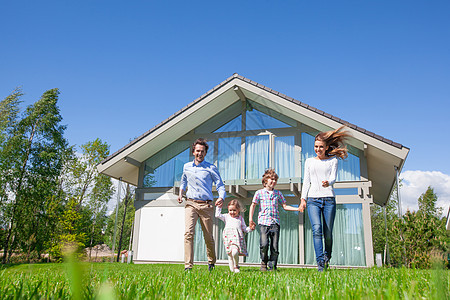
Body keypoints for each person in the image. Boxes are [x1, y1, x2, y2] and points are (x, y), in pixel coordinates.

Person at [299, 126, 351, 272]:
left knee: (328, 233)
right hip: (313, 200)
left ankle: (327, 257)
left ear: (327, 147)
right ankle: (320, 263)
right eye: (316, 146)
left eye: (321, 147)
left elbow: (333, 177)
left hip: (328, 199)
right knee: (317, 229)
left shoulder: (333, 160)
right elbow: (306, 181)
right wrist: (303, 199)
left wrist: (329, 182)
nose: (318, 149)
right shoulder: (309, 161)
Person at [178, 138, 225, 272]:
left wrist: (221, 197)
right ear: (193, 152)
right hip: (191, 203)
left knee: (208, 236)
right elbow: (183, 181)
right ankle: (188, 266)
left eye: (202, 151)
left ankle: (211, 263)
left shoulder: (211, 168)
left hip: (206, 205)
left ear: (205, 153)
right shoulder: (186, 166)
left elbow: (220, 185)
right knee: (188, 233)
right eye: (197, 151)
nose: (200, 153)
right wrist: (181, 193)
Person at [249, 169, 302, 271]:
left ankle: (272, 266)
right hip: (264, 223)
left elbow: (285, 206)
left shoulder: (278, 193)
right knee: (264, 244)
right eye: (272, 179)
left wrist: (297, 209)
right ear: (265, 181)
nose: (274, 182)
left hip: (275, 223)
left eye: (275, 180)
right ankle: (264, 262)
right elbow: (253, 205)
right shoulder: (259, 193)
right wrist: (251, 219)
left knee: (275, 247)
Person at [216, 199, 253, 273]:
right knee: (230, 255)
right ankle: (232, 271)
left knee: (235, 252)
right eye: (230, 210)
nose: (232, 212)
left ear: (238, 210)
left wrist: (250, 228)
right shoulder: (226, 217)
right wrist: (218, 207)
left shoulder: (240, 219)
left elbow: (244, 228)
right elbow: (217, 215)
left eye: (234, 210)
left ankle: (236, 265)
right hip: (228, 238)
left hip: (236, 238)